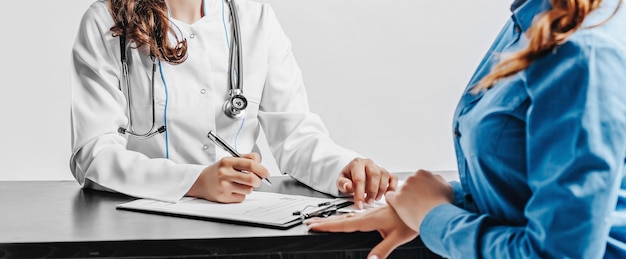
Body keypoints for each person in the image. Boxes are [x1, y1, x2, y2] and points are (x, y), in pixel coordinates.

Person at [306, 0, 626, 258]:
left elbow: (557, 254)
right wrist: (438, 201)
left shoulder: (585, 51)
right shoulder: (531, 19)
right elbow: (529, 186)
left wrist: (433, 217)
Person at [69, 0, 397, 206]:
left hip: (241, 222)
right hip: (141, 228)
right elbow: (93, 155)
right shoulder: (105, 22)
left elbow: (296, 136)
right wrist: (196, 182)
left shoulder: (255, 18)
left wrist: (344, 167)